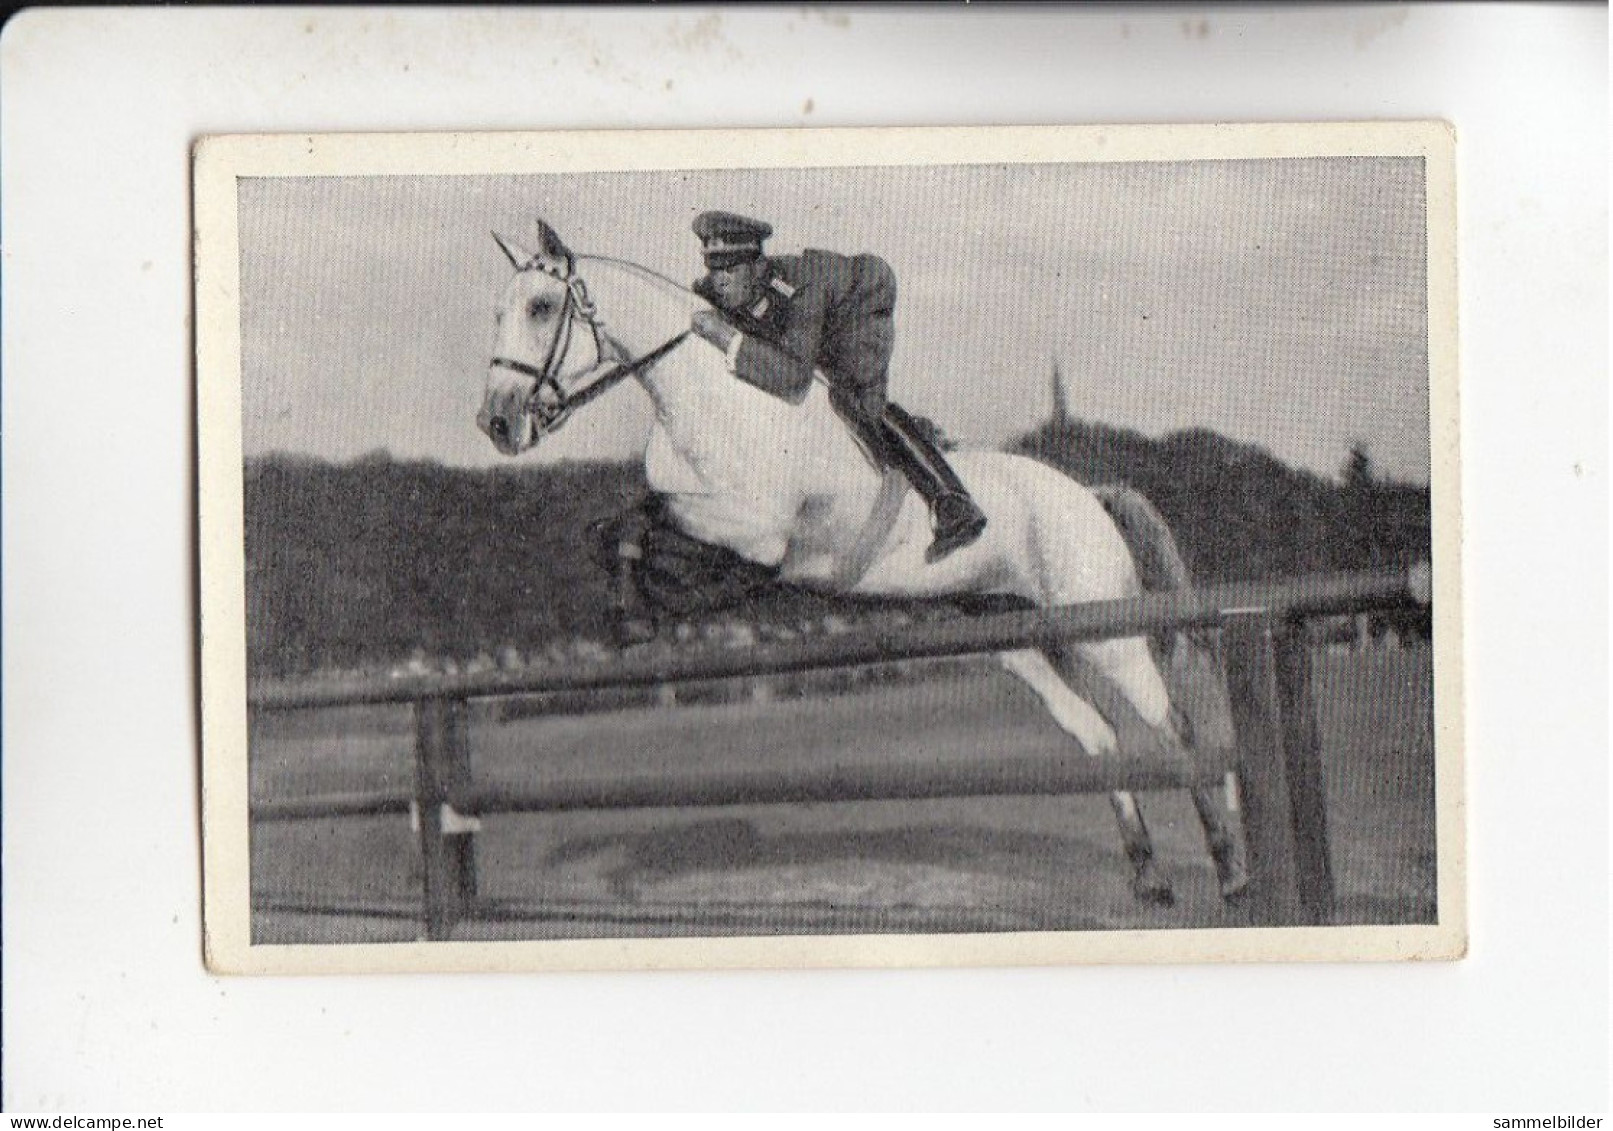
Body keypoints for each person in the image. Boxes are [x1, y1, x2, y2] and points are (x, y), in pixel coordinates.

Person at [686, 210, 988, 563]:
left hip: (858, 304)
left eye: (731, 270)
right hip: (815, 322)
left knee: (853, 398)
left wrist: (726, 337)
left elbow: (794, 380)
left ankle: (952, 501)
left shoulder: (804, 290)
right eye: (714, 269)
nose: (719, 281)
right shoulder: (715, 287)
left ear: (756, 266)